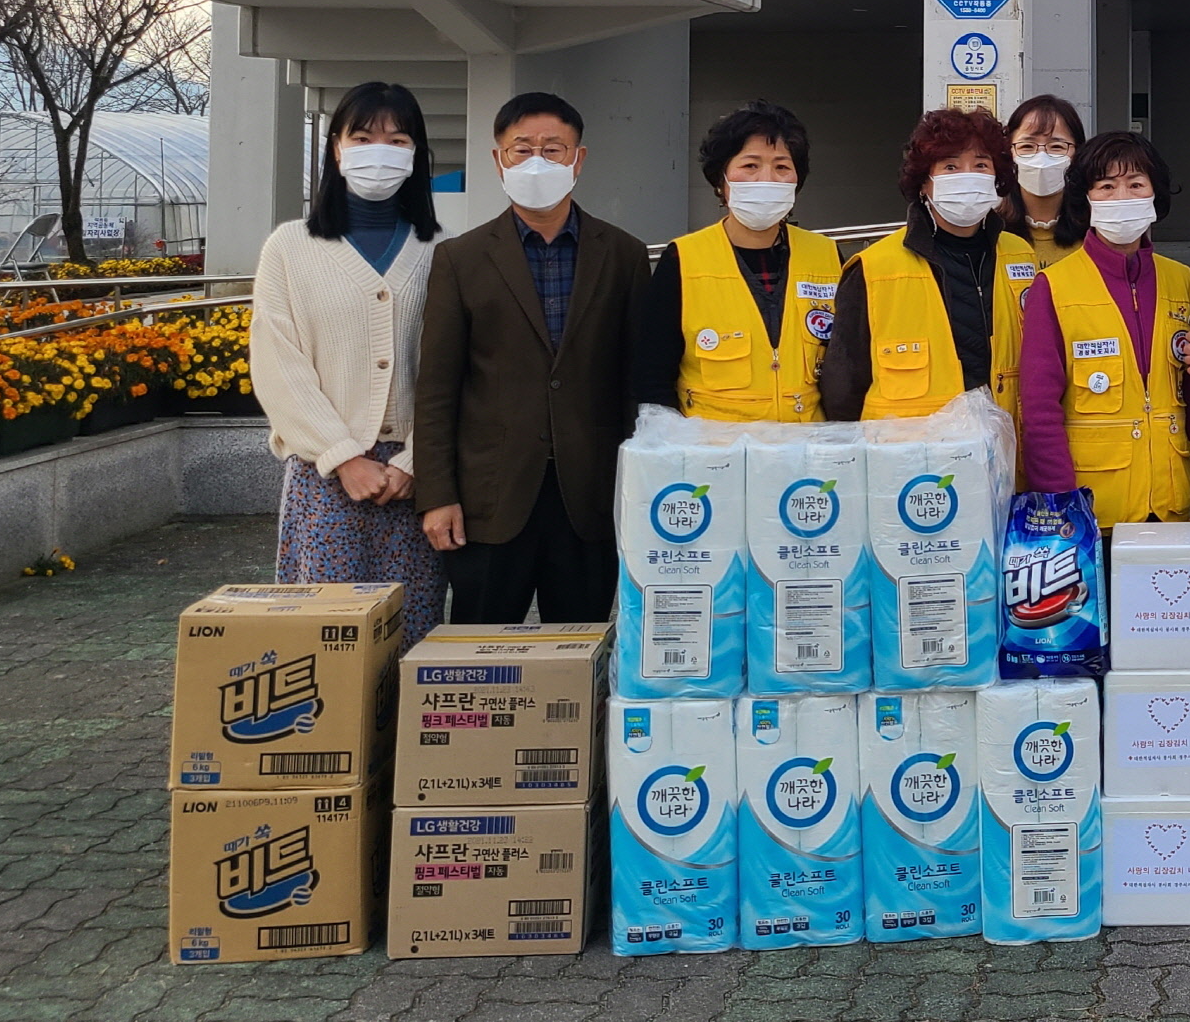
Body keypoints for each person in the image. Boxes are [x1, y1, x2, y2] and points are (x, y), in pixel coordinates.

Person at [415, 93, 651, 624]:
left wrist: (641, 491)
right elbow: (436, 387)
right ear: (498, 159)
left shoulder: (624, 256)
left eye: (553, 148)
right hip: (489, 498)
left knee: (582, 646)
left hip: (591, 496)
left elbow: (636, 383)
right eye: (522, 150)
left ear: (579, 159)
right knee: (477, 650)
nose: (537, 162)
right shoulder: (460, 259)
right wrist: (437, 494)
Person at [249, 81, 446, 643]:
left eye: (397, 138)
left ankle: (402, 736)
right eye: (362, 137)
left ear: (416, 155)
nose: (379, 150)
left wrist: (416, 459)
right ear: (336, 148)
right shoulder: (289, 248)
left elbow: (456, 370)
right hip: (325, 474)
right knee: (324, 640)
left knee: (412, 633)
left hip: (415, 478)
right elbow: (278, 363)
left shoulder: (441, 252)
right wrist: (343, 457)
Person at [1018, 133, 1190, 523]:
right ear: (1086, 199)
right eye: (1106, 186)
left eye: (1136, 184)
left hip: (1173, 501)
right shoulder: (1054, 286)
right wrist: (1062, 504)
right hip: (1094, 509)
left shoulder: (1182, 280)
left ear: (1154, 196)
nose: (1122, 197)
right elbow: (1039, 410)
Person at [820, 107, 1037, 422]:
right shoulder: (874, 267)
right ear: (924, 183)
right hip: (914, 462)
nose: (967, 177)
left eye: (980, 165)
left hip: (1007, 451)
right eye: (950, 166)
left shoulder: (1021, 256)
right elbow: (844, 388)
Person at [633, 101, 839, 421]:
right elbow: (652, 373)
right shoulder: (684, 259)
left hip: (807, 454)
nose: (766, 179)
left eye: (782, 167)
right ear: (721, 181)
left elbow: (849, 366)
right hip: (713, 456)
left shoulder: (827, 256)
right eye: (750, 165)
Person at [1004, 94, 1087, 268]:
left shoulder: (1095, 233)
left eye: (1056, 147)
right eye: (1027, 146)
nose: (1041, 157)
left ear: (1077, 153)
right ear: (1009, 152)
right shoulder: (991, 230)